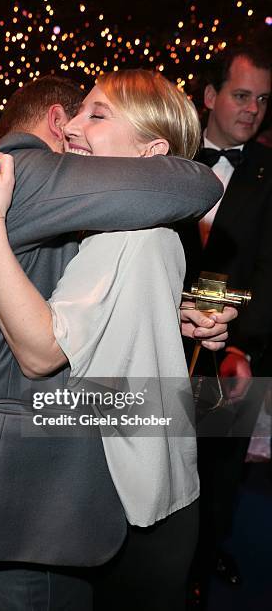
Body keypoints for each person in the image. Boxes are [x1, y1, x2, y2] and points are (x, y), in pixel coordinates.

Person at [0, 74, 226, 611]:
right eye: (78, 113)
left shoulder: (123, 229)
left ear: (154, 152)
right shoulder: (17, 180)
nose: (75, 129)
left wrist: (173, 311)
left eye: (98, 115)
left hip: (122, 492)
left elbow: (49, 347)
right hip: (100, 485)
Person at [179, 45, 272, 599]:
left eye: (263, 99)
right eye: (242, 95)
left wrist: (243, 346)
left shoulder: (269, 171)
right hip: (161, 344)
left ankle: (203, 563)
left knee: (221, 470)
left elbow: (270, 269)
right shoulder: (167, 157)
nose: (253, 109)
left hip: (237, 351)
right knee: (161, 454)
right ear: (211, 96)